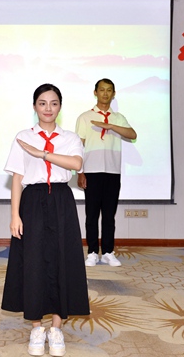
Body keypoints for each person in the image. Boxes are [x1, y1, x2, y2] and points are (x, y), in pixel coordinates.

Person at [2, 83, 90, 357]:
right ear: (34, 107)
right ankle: (37, 327)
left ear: (60, 107)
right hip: (33, 201)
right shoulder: (23, 137)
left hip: (61, 201)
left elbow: (76, 164)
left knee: (63, 260)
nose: (48, 108)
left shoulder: (70, 138)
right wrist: (15, 215)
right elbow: (17, 178)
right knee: (33, 262)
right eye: (42, 103)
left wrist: (42, 153)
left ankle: (56, 328)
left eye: (53, 103)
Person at [75, 79, 137, 267]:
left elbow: (132, 134)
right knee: (92, 215)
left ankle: (108, 252)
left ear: (113, 93)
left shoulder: (118, 118)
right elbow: (78, 147)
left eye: (109, 90)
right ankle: (93, 252)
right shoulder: (85, 117)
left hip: (112, 172)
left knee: (109, 215)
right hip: (91, 171)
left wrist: (110, 126)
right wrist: (80, 172)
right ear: (95, 92)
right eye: (101, 90)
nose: (105, 93)